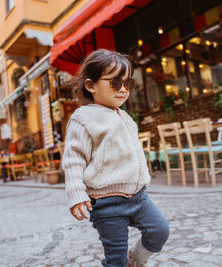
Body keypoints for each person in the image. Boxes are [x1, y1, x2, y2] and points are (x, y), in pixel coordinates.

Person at [62, 49, 169, 267]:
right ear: (91, 85)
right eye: (115, 83)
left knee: (160, 231)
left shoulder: (126, 117)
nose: (123, 89)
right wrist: (76, 194)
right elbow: (74, 160)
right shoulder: (83, 118)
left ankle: (136, 260)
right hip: (106, 203)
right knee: (115, 259)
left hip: (138, 197)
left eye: (128, 83)